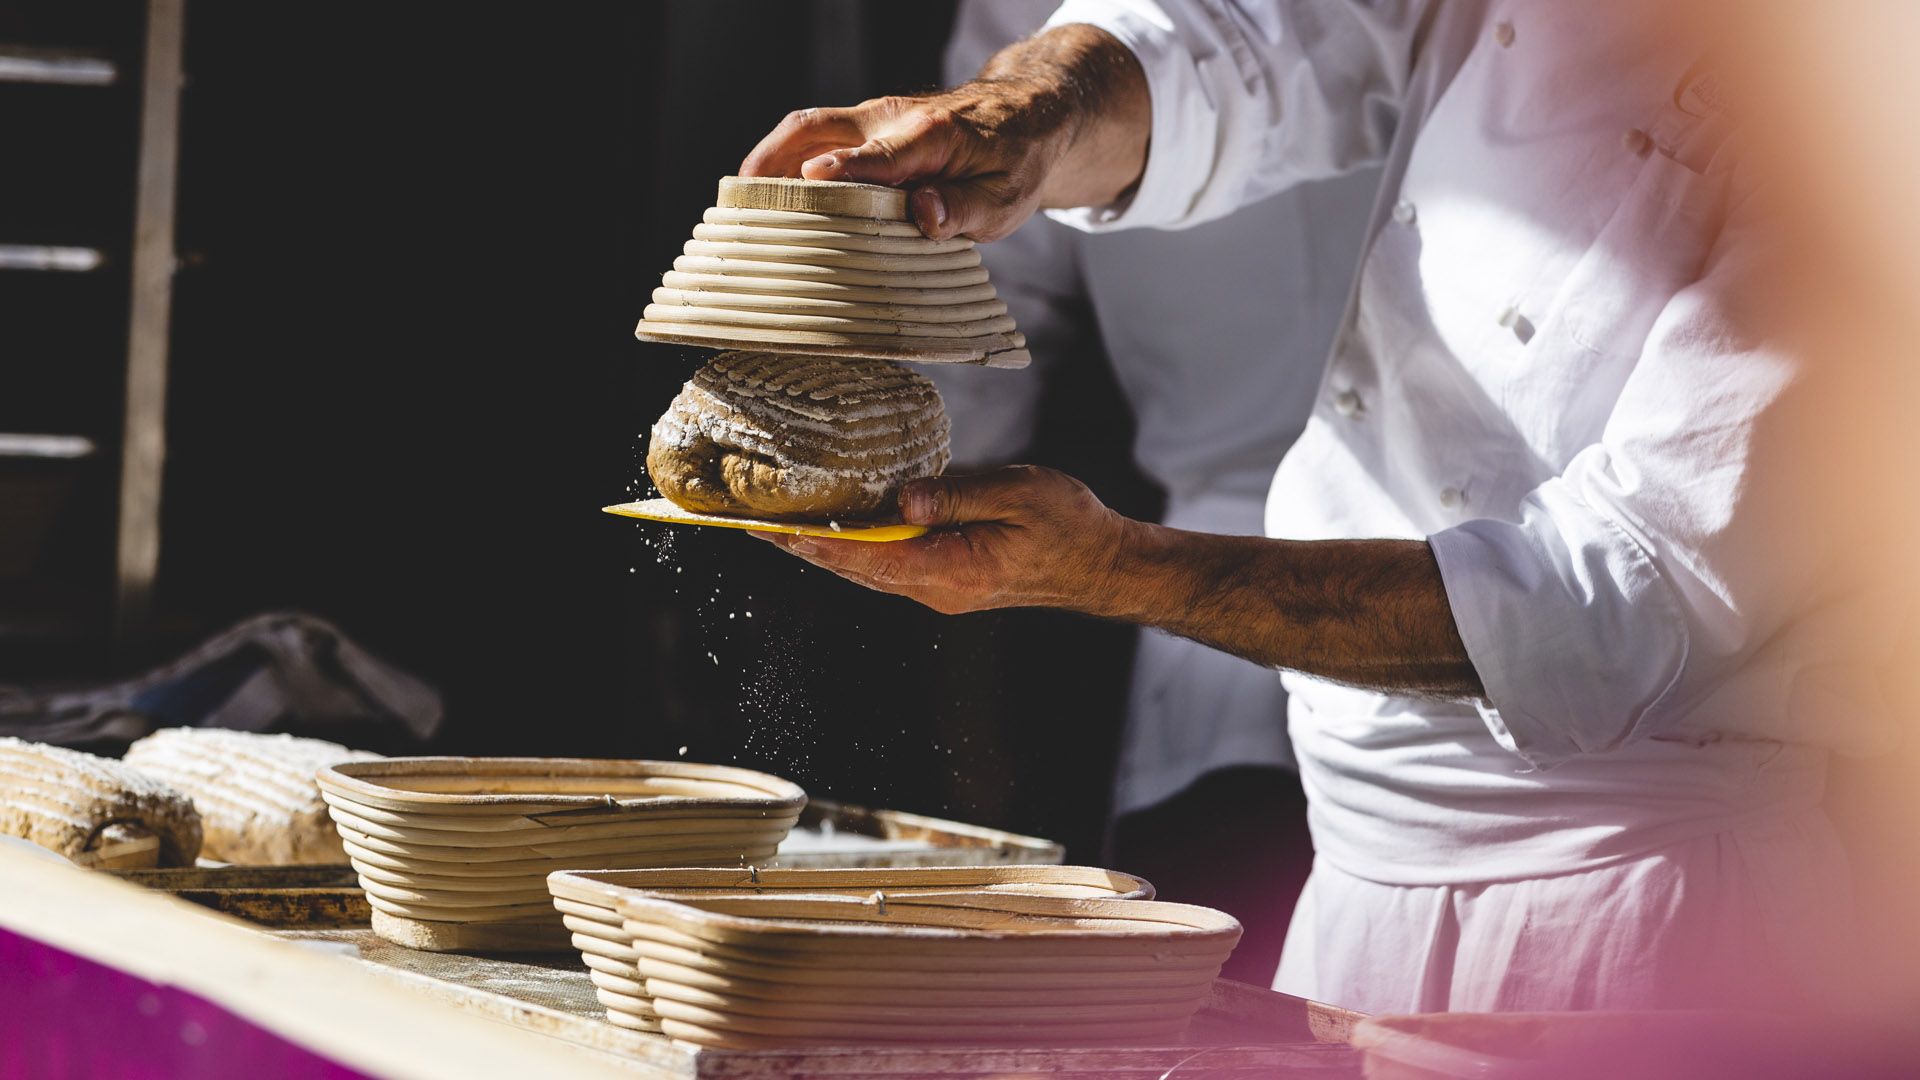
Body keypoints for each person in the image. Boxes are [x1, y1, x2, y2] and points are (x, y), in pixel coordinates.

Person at [740, 0, 1901, 1014]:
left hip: (1642, 909)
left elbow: (1611, 607)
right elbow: (1268, 31)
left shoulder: (1863, 112)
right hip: (1350, 871)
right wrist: (1026, 117)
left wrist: (1107, 573)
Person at [930, 0, 1381, 982]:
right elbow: (963, 344)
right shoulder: (1022, 25)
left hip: (1534, 649)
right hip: (1211, 671)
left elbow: (964, 384)